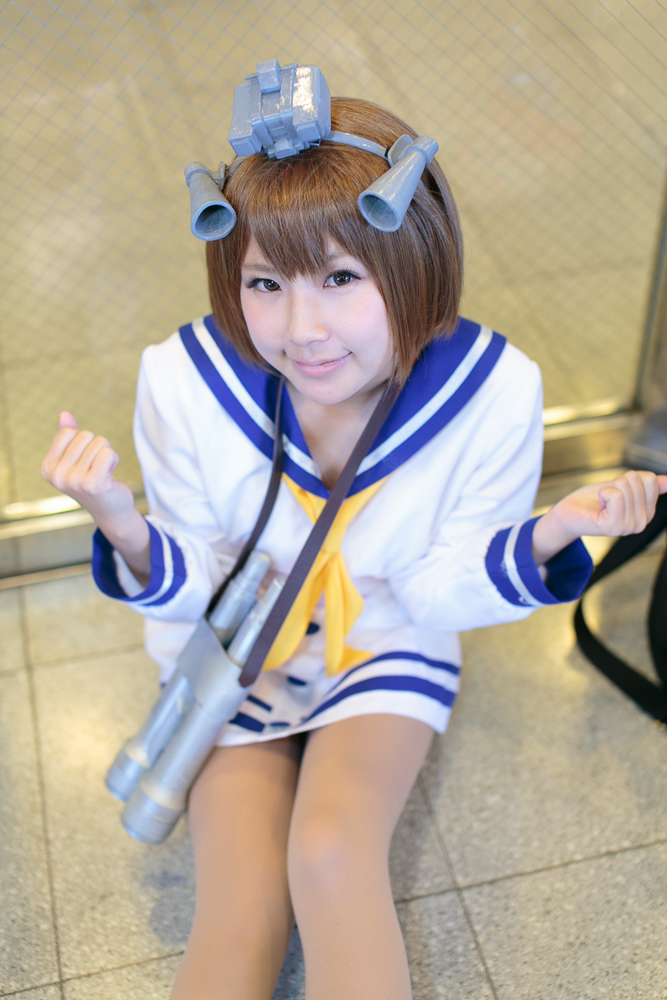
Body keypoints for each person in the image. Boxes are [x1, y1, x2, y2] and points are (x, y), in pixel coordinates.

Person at [41, 62, 667, 1000]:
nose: (302, 328)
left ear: (414, 262)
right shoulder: (181, 377)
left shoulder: (495, 390)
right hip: (232, 648)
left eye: (340, 276)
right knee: (240, 904)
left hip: (384, 639)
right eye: (264, 282)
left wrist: (550, 532)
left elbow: (433, 589)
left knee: (332, 855)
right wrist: (122, 522)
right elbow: (198, 570)